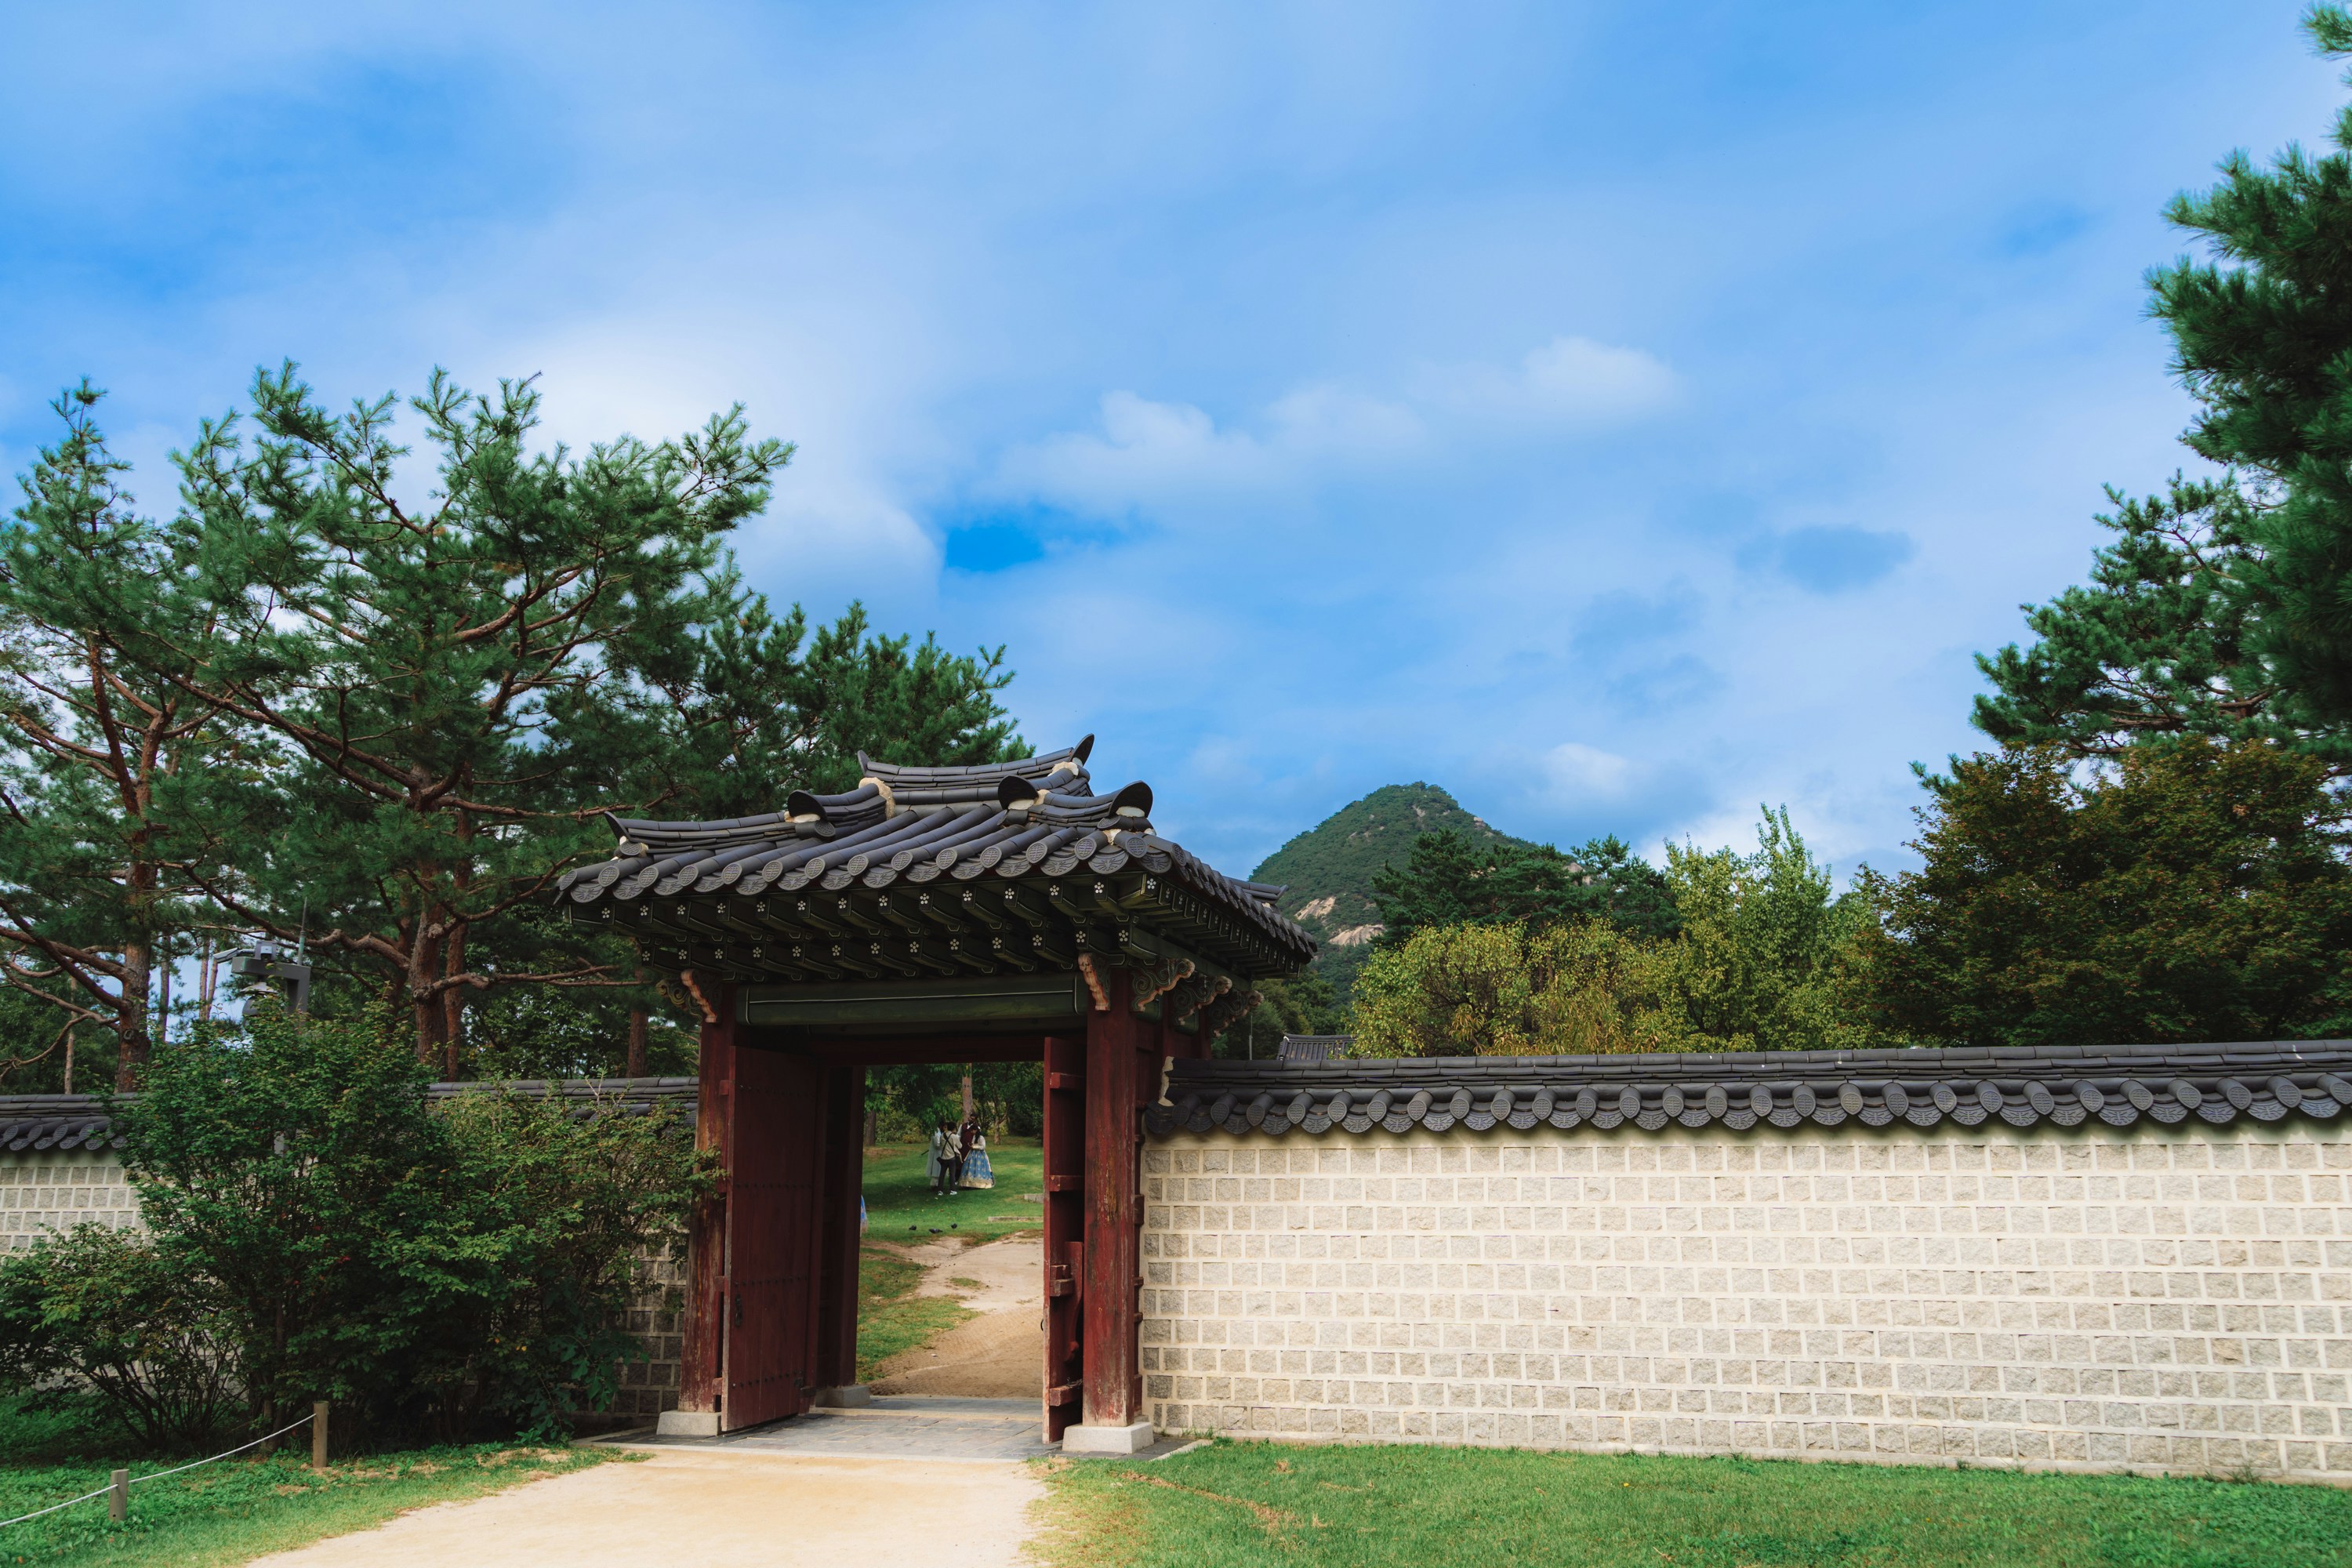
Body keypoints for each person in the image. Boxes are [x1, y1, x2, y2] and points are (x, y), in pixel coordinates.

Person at [929, 1120, 961, 1198]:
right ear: (953, 1128)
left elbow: (940, 1145)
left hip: (943, 1157)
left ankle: (940, 1190)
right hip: (951, 1158)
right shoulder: (954, 1137)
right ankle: (952, 1190)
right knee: (952, 1174)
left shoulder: (942, 1136)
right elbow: (960, 1146)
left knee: (942, 1175)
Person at [960, 1122, 993, 1189]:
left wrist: (975, 1147)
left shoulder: (981, 1137)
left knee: (978, 1167)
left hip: (979, 1155)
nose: (972, 1132)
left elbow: (983, 1147)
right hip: (972, 1154)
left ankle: (979, 1184)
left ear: (976, 1130)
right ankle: (970, 1183)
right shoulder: (974, 1136)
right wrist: (971, 1145)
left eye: (973, 1130)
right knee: (971, 1167)